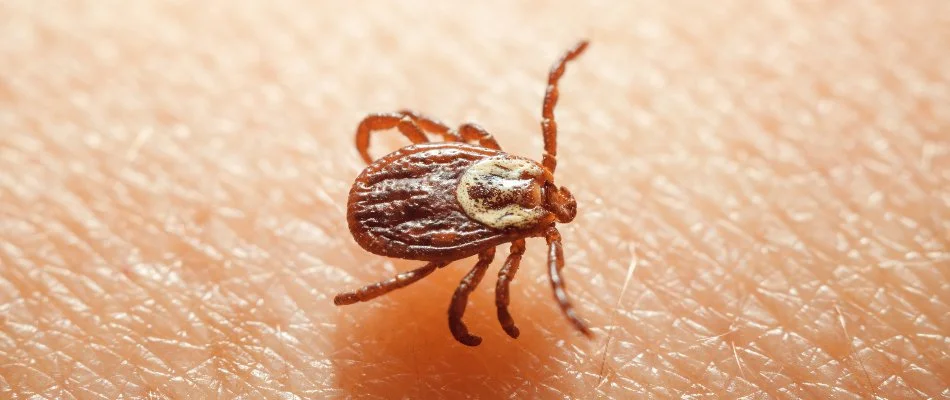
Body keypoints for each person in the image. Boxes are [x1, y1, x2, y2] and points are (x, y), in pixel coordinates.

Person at [1, 1, 946, 398]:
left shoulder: (491, 186)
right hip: (404, 203)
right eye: (538, 192)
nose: (544, 198)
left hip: (398, 195)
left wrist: (387, 152)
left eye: (535, 196)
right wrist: (406, 302)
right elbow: (459, 291)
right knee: (450, 275)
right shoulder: (494, 216)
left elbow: (419, 165)